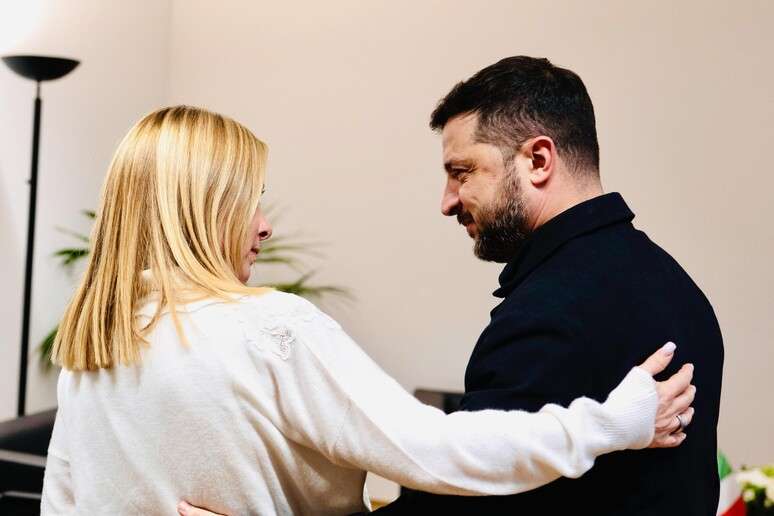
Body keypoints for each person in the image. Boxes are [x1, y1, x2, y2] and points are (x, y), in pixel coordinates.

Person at [40, 106, 694, 516]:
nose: (264, 226)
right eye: (249, 201)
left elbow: (61, 505)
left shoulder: (91, 348)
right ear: (200, 210)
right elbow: (440, 454)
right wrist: (609, 424)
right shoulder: (269, 331)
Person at [373, 56, 723, 514]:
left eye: (462, 173)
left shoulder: (548, 312)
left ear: (538, 160)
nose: (448, 201)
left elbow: (463, 499)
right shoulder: (679, 286)